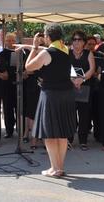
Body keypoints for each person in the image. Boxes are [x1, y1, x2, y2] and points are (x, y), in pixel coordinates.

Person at [25, 24, 76, 177]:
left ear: (47, 37)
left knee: (51, 133)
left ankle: (55, 168)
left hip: (51, 95)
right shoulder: (66, 50)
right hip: (66, 94)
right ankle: (59, 167)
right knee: (61, 133)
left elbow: (28, 67)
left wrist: (34, 48)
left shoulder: (48, 53)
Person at [69, 31, 95, 150]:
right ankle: (69, 140)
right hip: (70, 87)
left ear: (84, 42)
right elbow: (64, 69)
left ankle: (83, 141)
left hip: (85, 87)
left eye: (79, 39)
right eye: (74, 39)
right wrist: (73, 80)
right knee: (70, 115)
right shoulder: (67, 53)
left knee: (84, 115)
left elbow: (92, 69)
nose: (76, 42)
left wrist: (81, 80)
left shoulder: (88, 53)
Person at [0, 33, 18, 138]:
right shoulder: (2, 54)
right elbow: (2, 68)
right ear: (5, 41)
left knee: (19, 108)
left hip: (19, 84)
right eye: (8, 40)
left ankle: (21, 129)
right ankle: (9, 130)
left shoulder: (21, 52)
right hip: (6, 84)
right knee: (7, 108)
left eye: (13, 40)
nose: (11, 42)